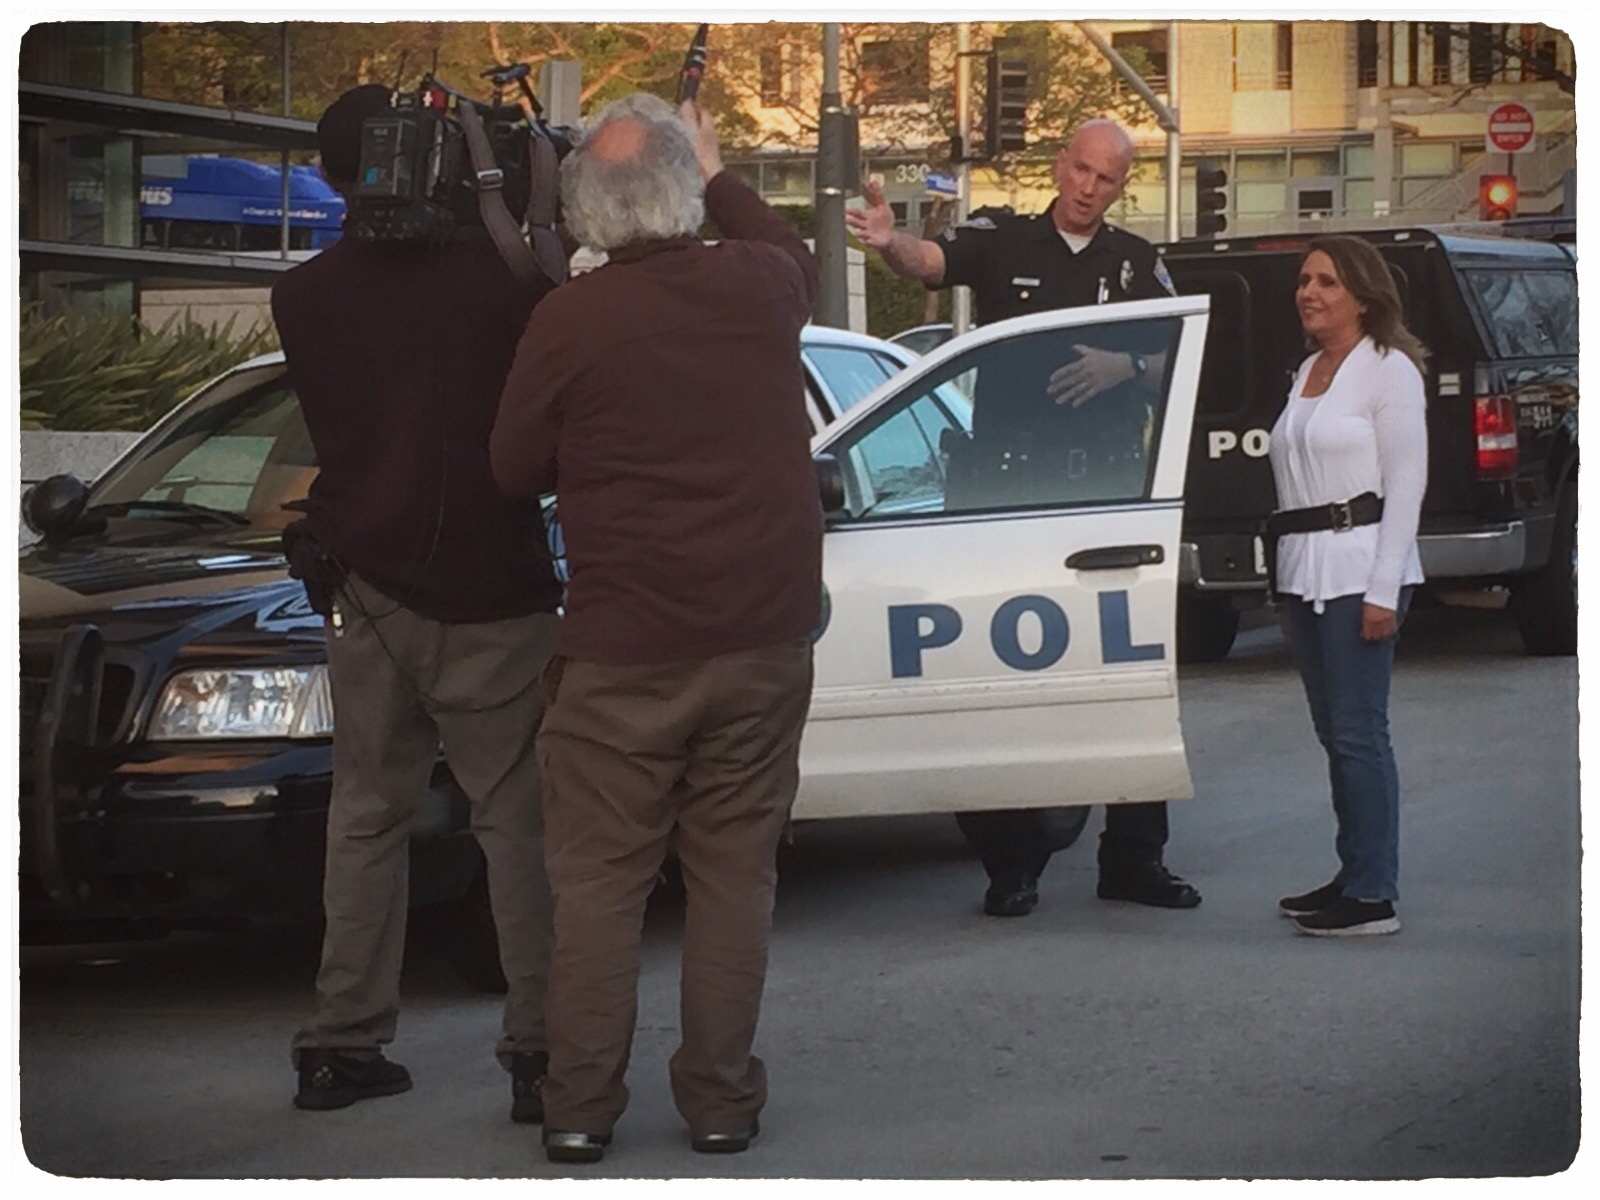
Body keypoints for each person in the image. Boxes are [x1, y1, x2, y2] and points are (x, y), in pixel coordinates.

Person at [489, 93, 820, 1164]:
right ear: (684, 193)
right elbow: (790, 247)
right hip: (762, 638)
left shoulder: (570, 321)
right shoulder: (761, 284)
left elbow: (512, 467)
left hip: (623, 648)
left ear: (585, 212)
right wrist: (717, 167)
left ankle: (579, 1108)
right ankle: (720, 1101)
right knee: (733, 879)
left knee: (597, 887)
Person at [273, 84, 564, 1117]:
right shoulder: (503, 282)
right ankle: (541, 1053)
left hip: (365, 591)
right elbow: (551, 278)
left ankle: (340, 1043)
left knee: (365, 819)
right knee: (518, 826)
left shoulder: (302, 298)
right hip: (496, 593)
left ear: (332, 177)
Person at [846, 118, 1201, 918]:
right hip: (1003, 500)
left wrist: (1126, 366)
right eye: (1081, 170)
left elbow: (1184, 364)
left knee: (1121, 679)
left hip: (1101, 499)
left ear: (1120, 188)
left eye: (1106, 180)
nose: (1088, 189)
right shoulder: (1002, 240)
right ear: (1060, 164)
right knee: (996, 681)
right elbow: (929, 261)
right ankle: (1011, 865)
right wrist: (888, 241)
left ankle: (1134, 859)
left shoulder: (1136, 264)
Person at [1267, 236, 1427, 937]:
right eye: (1306, 280)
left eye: (1328, 281)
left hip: (1361, 568)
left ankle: (1373, 895)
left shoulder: (1388, 371)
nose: (1310, 292)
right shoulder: (1307, 370)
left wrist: (1384, 589)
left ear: (1363, 296)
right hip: (1305, 570)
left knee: (1361, 733)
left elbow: (1407, 484)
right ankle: (1354, 869)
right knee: (1334, 732)